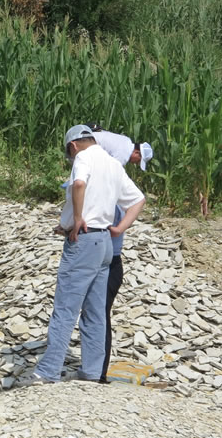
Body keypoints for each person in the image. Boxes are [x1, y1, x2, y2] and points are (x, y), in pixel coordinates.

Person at [28, 126, 145, 384]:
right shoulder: (114, 164)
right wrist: (120, 228)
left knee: (65, 308)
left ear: (73, 146)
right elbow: (137, 199)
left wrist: (78, 219)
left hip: (84, 240)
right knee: (94, 311)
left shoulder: (83, 157)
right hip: (104, 241)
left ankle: (47, 372)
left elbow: (79, 183)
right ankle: (92, 372)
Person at [90, 129, 150, 381]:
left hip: (110, 261)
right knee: (96, 314)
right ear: (137, 153)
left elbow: (134, 198)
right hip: (107, 259)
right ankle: (95, 370)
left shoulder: (112, 193)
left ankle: (97, 373)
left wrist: (117, 228)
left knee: (98, 314)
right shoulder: (121, 151)